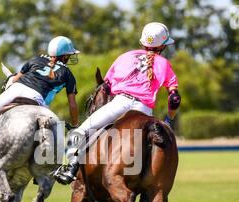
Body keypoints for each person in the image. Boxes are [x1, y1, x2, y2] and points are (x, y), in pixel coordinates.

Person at [53, 22, 181, 185]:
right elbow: (174, 99)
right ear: (162, 46)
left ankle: (71, 168)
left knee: (79, 132)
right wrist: (169, 121)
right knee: (150, 150)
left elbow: (105, 88)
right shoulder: (164, 64)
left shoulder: (124, 57)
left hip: (120, 102)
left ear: (142, 42)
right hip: (144, 109)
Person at [0, 36, 80, 165]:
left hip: (16, 89)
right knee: (53, 130)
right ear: (64, 56)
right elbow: (72, 105)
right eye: (69, 55)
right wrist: (75, 125)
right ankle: (48, 166)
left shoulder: (36, 59)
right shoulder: (67, 74)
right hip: (37, 99)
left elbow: (14, 79)